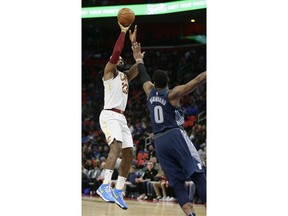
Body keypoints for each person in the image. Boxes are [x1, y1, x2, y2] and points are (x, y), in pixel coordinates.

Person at [132, 42, 206, 216]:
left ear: (154, 83)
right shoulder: (172, 94)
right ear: (168, 83)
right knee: (197, 173)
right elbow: (196, 81)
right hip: (174, 135)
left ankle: (190, 214)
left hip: (159, 142)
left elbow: (143, 76)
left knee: (177, 183)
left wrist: (138, 58)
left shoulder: (149, 91)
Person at [96, 23, 142, 210]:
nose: (121, 60)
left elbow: (137, 69)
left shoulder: (124, 76)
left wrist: (136, 52)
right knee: (115, 147)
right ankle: (105, 185)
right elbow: (116, 52)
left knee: (129, 153)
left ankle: (118, 189)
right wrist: (123, 32)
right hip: (109, 115)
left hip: (121, 117)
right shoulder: (109, 73)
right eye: (118, 59)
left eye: (123, 59)